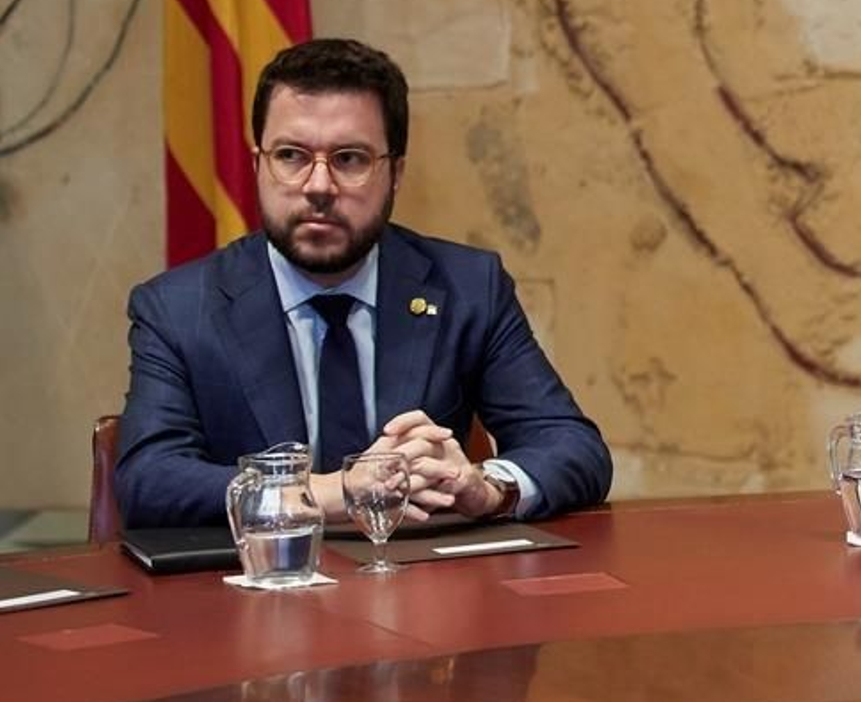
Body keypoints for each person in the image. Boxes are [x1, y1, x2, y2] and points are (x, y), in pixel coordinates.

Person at [116, 38, 611, 528]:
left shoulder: (467, 287)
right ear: (257, 166)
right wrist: (338, 491)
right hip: (257, 592)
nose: (317, 186)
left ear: (394, 173)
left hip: (428, 594)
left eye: (349, 159)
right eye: (290, 156)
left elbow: (572, 447)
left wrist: (488, 489)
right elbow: (150, 481)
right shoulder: (178, 309)